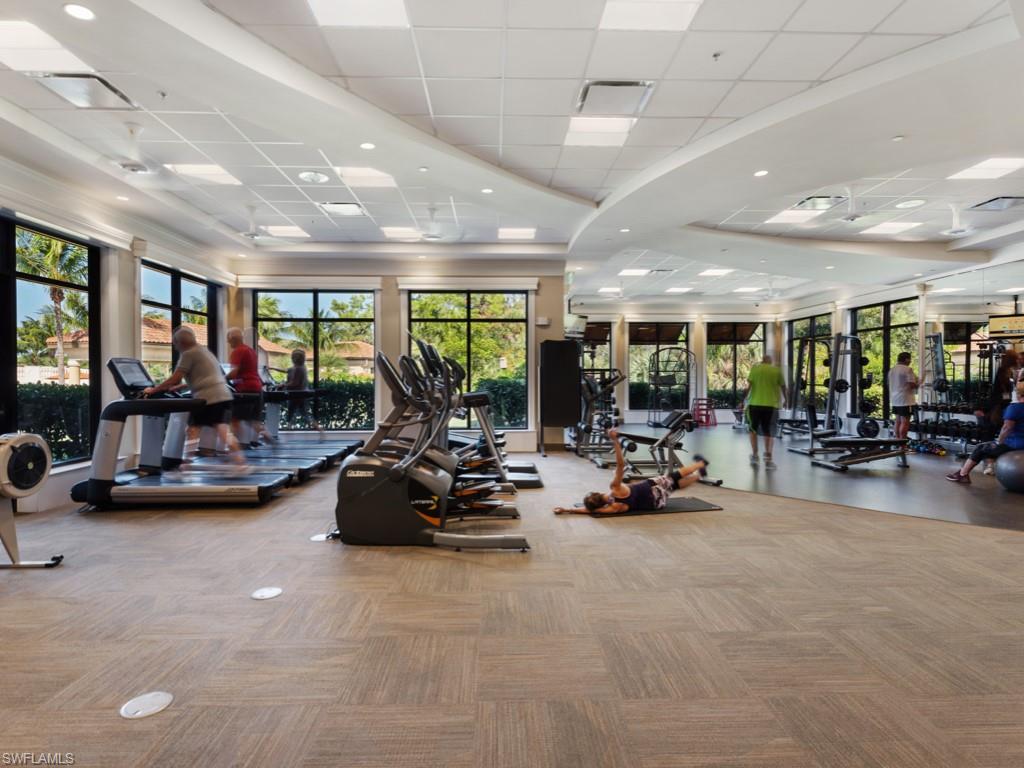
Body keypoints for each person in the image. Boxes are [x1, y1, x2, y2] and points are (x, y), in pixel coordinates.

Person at [143, 326, 248, 470]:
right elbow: (204, 376)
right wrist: (181, 387)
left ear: (180, 343)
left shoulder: (188, 354)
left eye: (175, 345)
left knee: (193, 430)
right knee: (222, 430)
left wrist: (153, 390)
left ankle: (186, 464)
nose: (176, 348)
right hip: (223, 394)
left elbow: (175, 378)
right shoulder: (204, 351)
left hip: (208, 397)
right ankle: (240, 461)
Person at [553, 429, 708, 515]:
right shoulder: (615, 488)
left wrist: (568, 510)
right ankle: (701, 463)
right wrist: (615, 441)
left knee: (675, 486)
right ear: (597, 493)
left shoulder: (613, 508)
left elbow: (591, 511)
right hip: (653, 488)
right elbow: (620, 465)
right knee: (673, 476)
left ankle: (699, 475)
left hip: (656, 503)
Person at [946, 381, 1024, 484]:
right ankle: (989, 466)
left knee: (981, 448)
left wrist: (999, 442)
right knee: (990, 448)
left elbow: (1007, 428)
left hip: (1014, 445)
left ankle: (962, 474)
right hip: (1017, 444)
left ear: (1018, 394)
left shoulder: (1015, 408)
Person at [743, 354, 787, 470]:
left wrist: (742, 400)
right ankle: (768, 459)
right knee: (769, 432)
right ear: (770, 361)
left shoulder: (755, 369)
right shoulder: (776, 371)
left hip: (755, 404)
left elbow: (748, 387)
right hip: (771, 406)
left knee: (753, 430)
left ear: (762, 361)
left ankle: (755, 455)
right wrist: (786, 400)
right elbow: (783, 387)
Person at [226, 327, 266, 446]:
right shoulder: (251, 351)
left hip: (245, 388)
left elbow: (234, 373)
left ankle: (238, 445)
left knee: (235, 418)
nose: (228, 342)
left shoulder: (238, 351)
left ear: (233, 339)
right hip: (257, 388)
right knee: (253, 420)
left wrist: (221, 379)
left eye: (228, 340)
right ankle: (264, 438)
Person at [887, 352, 919, 440]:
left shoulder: (892, 370)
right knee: (905, 422)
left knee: (898, 421)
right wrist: (918, 383)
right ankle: (902, 444)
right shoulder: (908, 369)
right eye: (910, 359)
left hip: (895, 400)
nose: (910, 361)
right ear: (907, 359)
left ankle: (897, 441)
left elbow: (889, 384)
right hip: (905, 400)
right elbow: (912, 385)